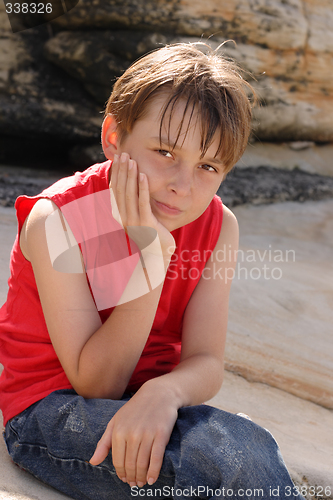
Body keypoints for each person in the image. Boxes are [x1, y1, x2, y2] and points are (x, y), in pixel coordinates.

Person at [0, 42, 305, 500]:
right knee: (226, 459)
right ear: (113, 137)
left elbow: (206, 361)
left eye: (207, 165)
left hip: (148, 397)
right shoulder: (58, 221)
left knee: (250, 446)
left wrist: (164, 394)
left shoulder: (219, 228)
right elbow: (97, 382)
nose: (182, 185)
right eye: (165, 152)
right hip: (50, 410)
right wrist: (151, 256)